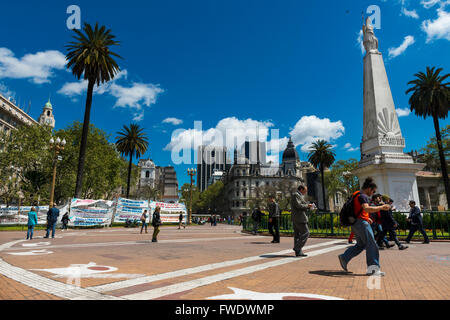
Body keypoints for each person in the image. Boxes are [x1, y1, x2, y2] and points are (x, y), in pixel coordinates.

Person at [338, 177, 391, 276]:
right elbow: (367, 209)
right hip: (361, 224)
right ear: (369, 188)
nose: (372, 193)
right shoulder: (363, 196)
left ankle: (344, 257)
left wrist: (367, 218)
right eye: (373, 191)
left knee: (361, 245)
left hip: (356, 223)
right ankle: (373, 270)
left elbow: (359, 210)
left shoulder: (356, 194)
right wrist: (382, 207)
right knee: (372, 245)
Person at [291, 185, 313, 257]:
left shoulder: (298, 195)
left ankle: (298, 252)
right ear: (301, 189)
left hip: (298, 218)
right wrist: (307, 206)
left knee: (297, 235)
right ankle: (297, 248)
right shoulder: (295, 195)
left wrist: (308, 206)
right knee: (306, 233)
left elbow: (300, 205)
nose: (306, 192)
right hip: (299, 218)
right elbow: (298, 205)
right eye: (305, 190)